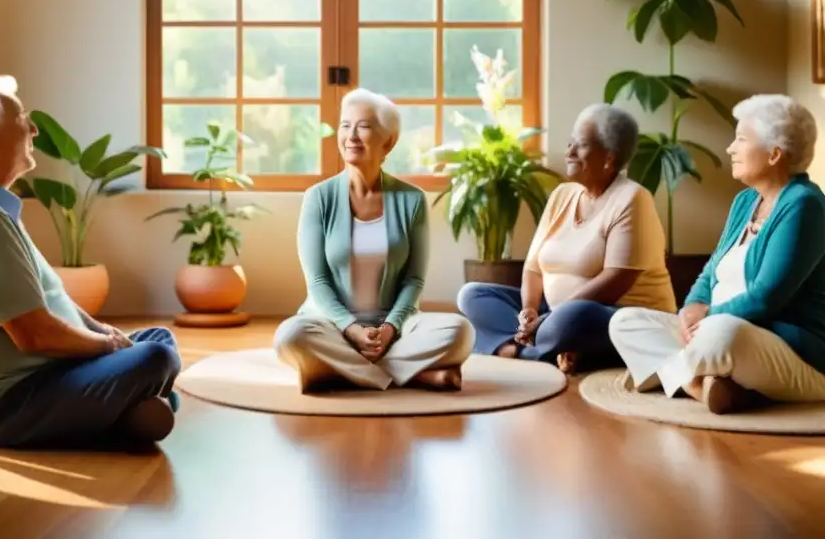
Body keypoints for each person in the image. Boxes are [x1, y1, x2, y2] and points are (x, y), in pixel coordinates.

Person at [0, 76, 182, 449]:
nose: (33, 128)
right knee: (156, 357)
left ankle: (128, 411)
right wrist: (107, 348)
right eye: (21, 118)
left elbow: (51, 303)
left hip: (44, 373)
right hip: (2, 405)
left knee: (156, 340)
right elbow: (34, 334)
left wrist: (103, 334)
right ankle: (132, 411)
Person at [609, 94, 825, 414]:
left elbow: (767, 297)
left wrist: (708, 319)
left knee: (721, 333)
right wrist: (691, 309)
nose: (730, 148)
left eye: (740, 139)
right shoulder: (744, 202)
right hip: (721, 330)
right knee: (625, 322)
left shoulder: (804, 205)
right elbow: (712, 269)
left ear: (774, 154)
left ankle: (675, 376)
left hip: (791, 348)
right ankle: (705, 386)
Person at [274, 88, 474, 393]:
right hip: (330, 323)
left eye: (364, 126)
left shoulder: (412, 200)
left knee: (460, 331)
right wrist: (351, 329)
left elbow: (414, 280)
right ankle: (414, 375)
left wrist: (391, 327)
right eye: (345, 125)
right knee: (290, 337)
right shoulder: (318, 197)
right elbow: (317, 282)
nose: (351, 135)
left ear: (388, 142)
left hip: (394, 326)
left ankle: (335, 372)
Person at [457, 103, 675, 373]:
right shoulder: (563, 194)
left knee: (573, 319)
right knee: (473, 294)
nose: (569, 152)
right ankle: (537, 350)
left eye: (580, 145)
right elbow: (534, 267)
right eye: (570, 142)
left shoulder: (633, 198)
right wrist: (529, 311)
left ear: (609, 158)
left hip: (617, 314)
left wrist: (549, 318)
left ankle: (521, 346)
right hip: (554, 312)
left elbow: (614, 283)